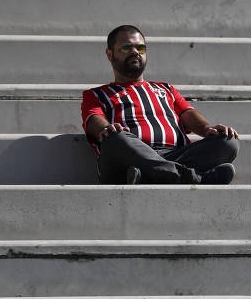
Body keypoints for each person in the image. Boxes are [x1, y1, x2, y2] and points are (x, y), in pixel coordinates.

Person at [81, 24, 239, 184]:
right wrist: (107, 129)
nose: (135, 52)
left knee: (228, 141)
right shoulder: (96, 94)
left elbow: (188, 113)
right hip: (130, 158)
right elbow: (94, 118)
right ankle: (193, 178)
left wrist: (206, 129)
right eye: (126, 47)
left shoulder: (166, 89)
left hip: (175, 155)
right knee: (114, 139)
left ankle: (150, 177)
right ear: (110, 54)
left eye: (140, 48)